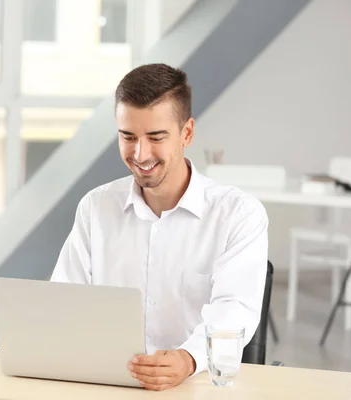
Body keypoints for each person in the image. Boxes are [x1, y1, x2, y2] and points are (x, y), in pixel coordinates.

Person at [50, 63, 268, 391]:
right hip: (108, 385)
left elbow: (233, 310)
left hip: (196, 387)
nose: (140, 153)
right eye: (128, 137)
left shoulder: (239, 214)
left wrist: (187, 359)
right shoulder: (96, 207)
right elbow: (62, 299)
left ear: (187, 133)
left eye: (156, 137)